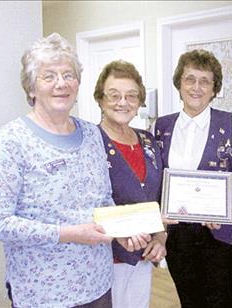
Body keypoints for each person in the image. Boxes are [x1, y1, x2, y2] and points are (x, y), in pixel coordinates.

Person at [0, 33, 114, 307]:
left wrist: (127, 226)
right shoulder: (12, 140)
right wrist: (69, 233)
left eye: (68, 75)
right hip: (42, 293)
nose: (61, 84)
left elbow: (104, 200)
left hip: (98, 284)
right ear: (31, 88)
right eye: (49, 76)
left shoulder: (92, 134)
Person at [154, 49, 232, 308]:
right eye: (190, 79)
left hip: (217, 234)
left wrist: (220, 210)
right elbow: (158, 181)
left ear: (214, 88)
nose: (196, 87)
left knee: (217, 301)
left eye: (205, 81)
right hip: (178, 233)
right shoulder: (161, 127)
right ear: (179, 84)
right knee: (188, 299)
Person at [94, 60, 167, 308]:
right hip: (104, 259)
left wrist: (160, 238)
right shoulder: (90, 143)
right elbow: (85, 202)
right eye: (114, 95)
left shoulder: (148, 140)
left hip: (143, 256)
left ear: (139, 102)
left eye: (131, 96)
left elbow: (157, 199)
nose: (122, 102)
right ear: (100, 100)